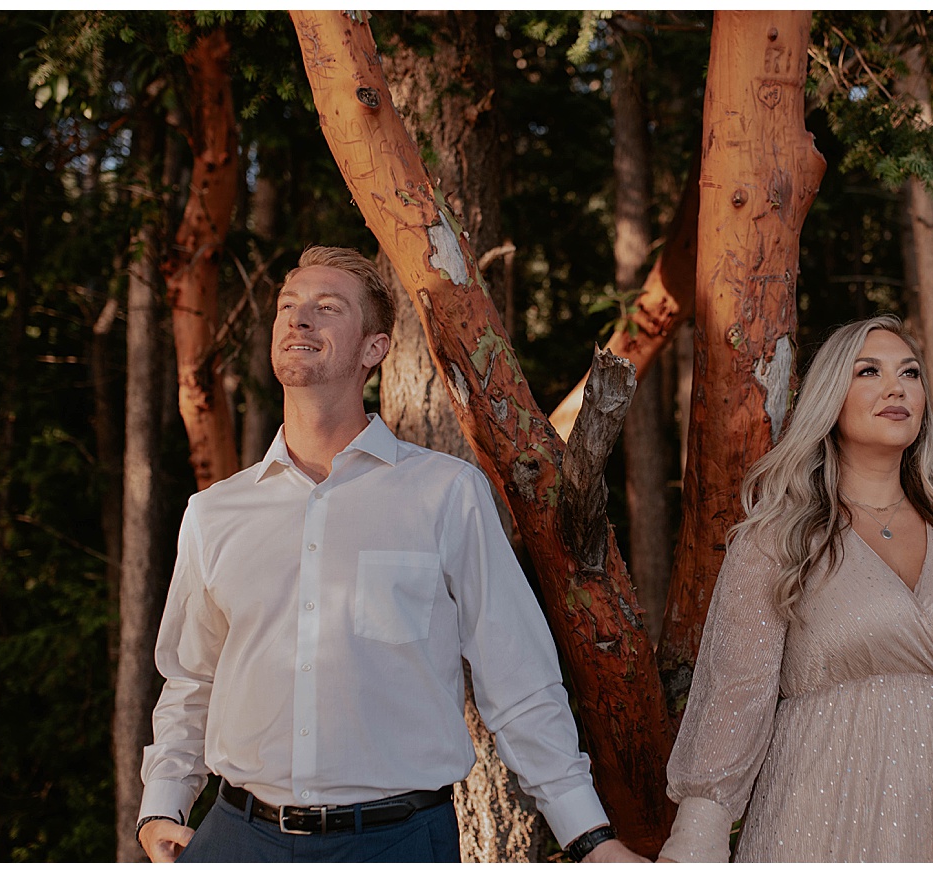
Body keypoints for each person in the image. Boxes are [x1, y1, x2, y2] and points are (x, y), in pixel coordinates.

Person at [137, 245, 646, 863]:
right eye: (288, 306)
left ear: (374, 350)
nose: (299, 320)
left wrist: (587, 835)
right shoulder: (214, 512)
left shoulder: (444, 495)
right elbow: (193, 679)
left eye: (327, 308)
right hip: (235, 838)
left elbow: (518, 678)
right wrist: (163, 800)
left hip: (397, 841)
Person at [658, 316, 933, 863]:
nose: (896, 387)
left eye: (911, 373)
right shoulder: (779, 535)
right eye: (869, 371)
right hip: (817, 819)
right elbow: (735, 700)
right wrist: (694, 849)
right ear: (830, 396)